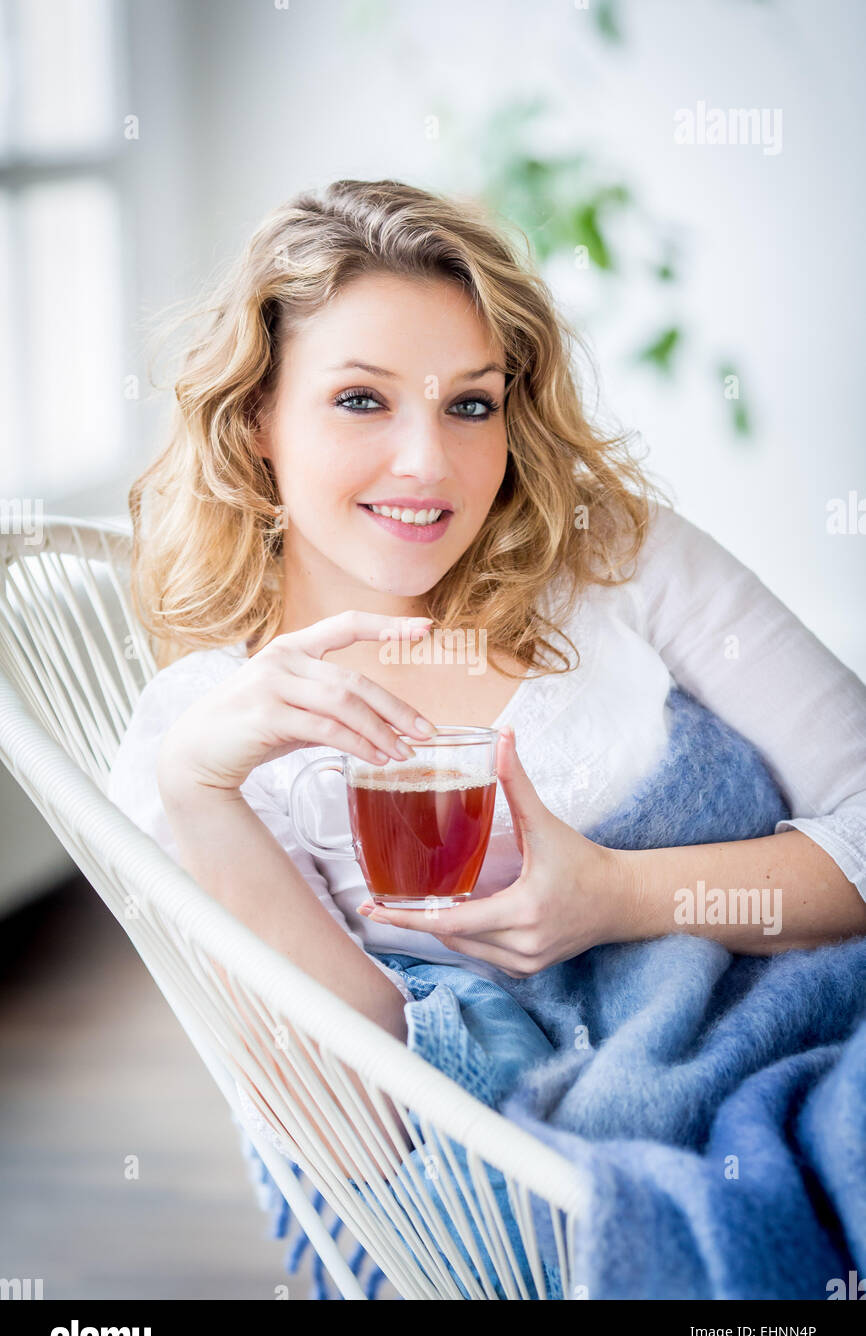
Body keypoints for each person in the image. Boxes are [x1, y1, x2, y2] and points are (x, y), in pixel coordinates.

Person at [108, 176, 866, 1188]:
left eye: (470, 403)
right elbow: (358, 1148)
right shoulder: (200, 744)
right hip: (574, 1177)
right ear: (256, 416)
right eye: (359, 399)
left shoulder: (607, 554)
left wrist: (617, 896)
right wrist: (203, 793)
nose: (428, 463)